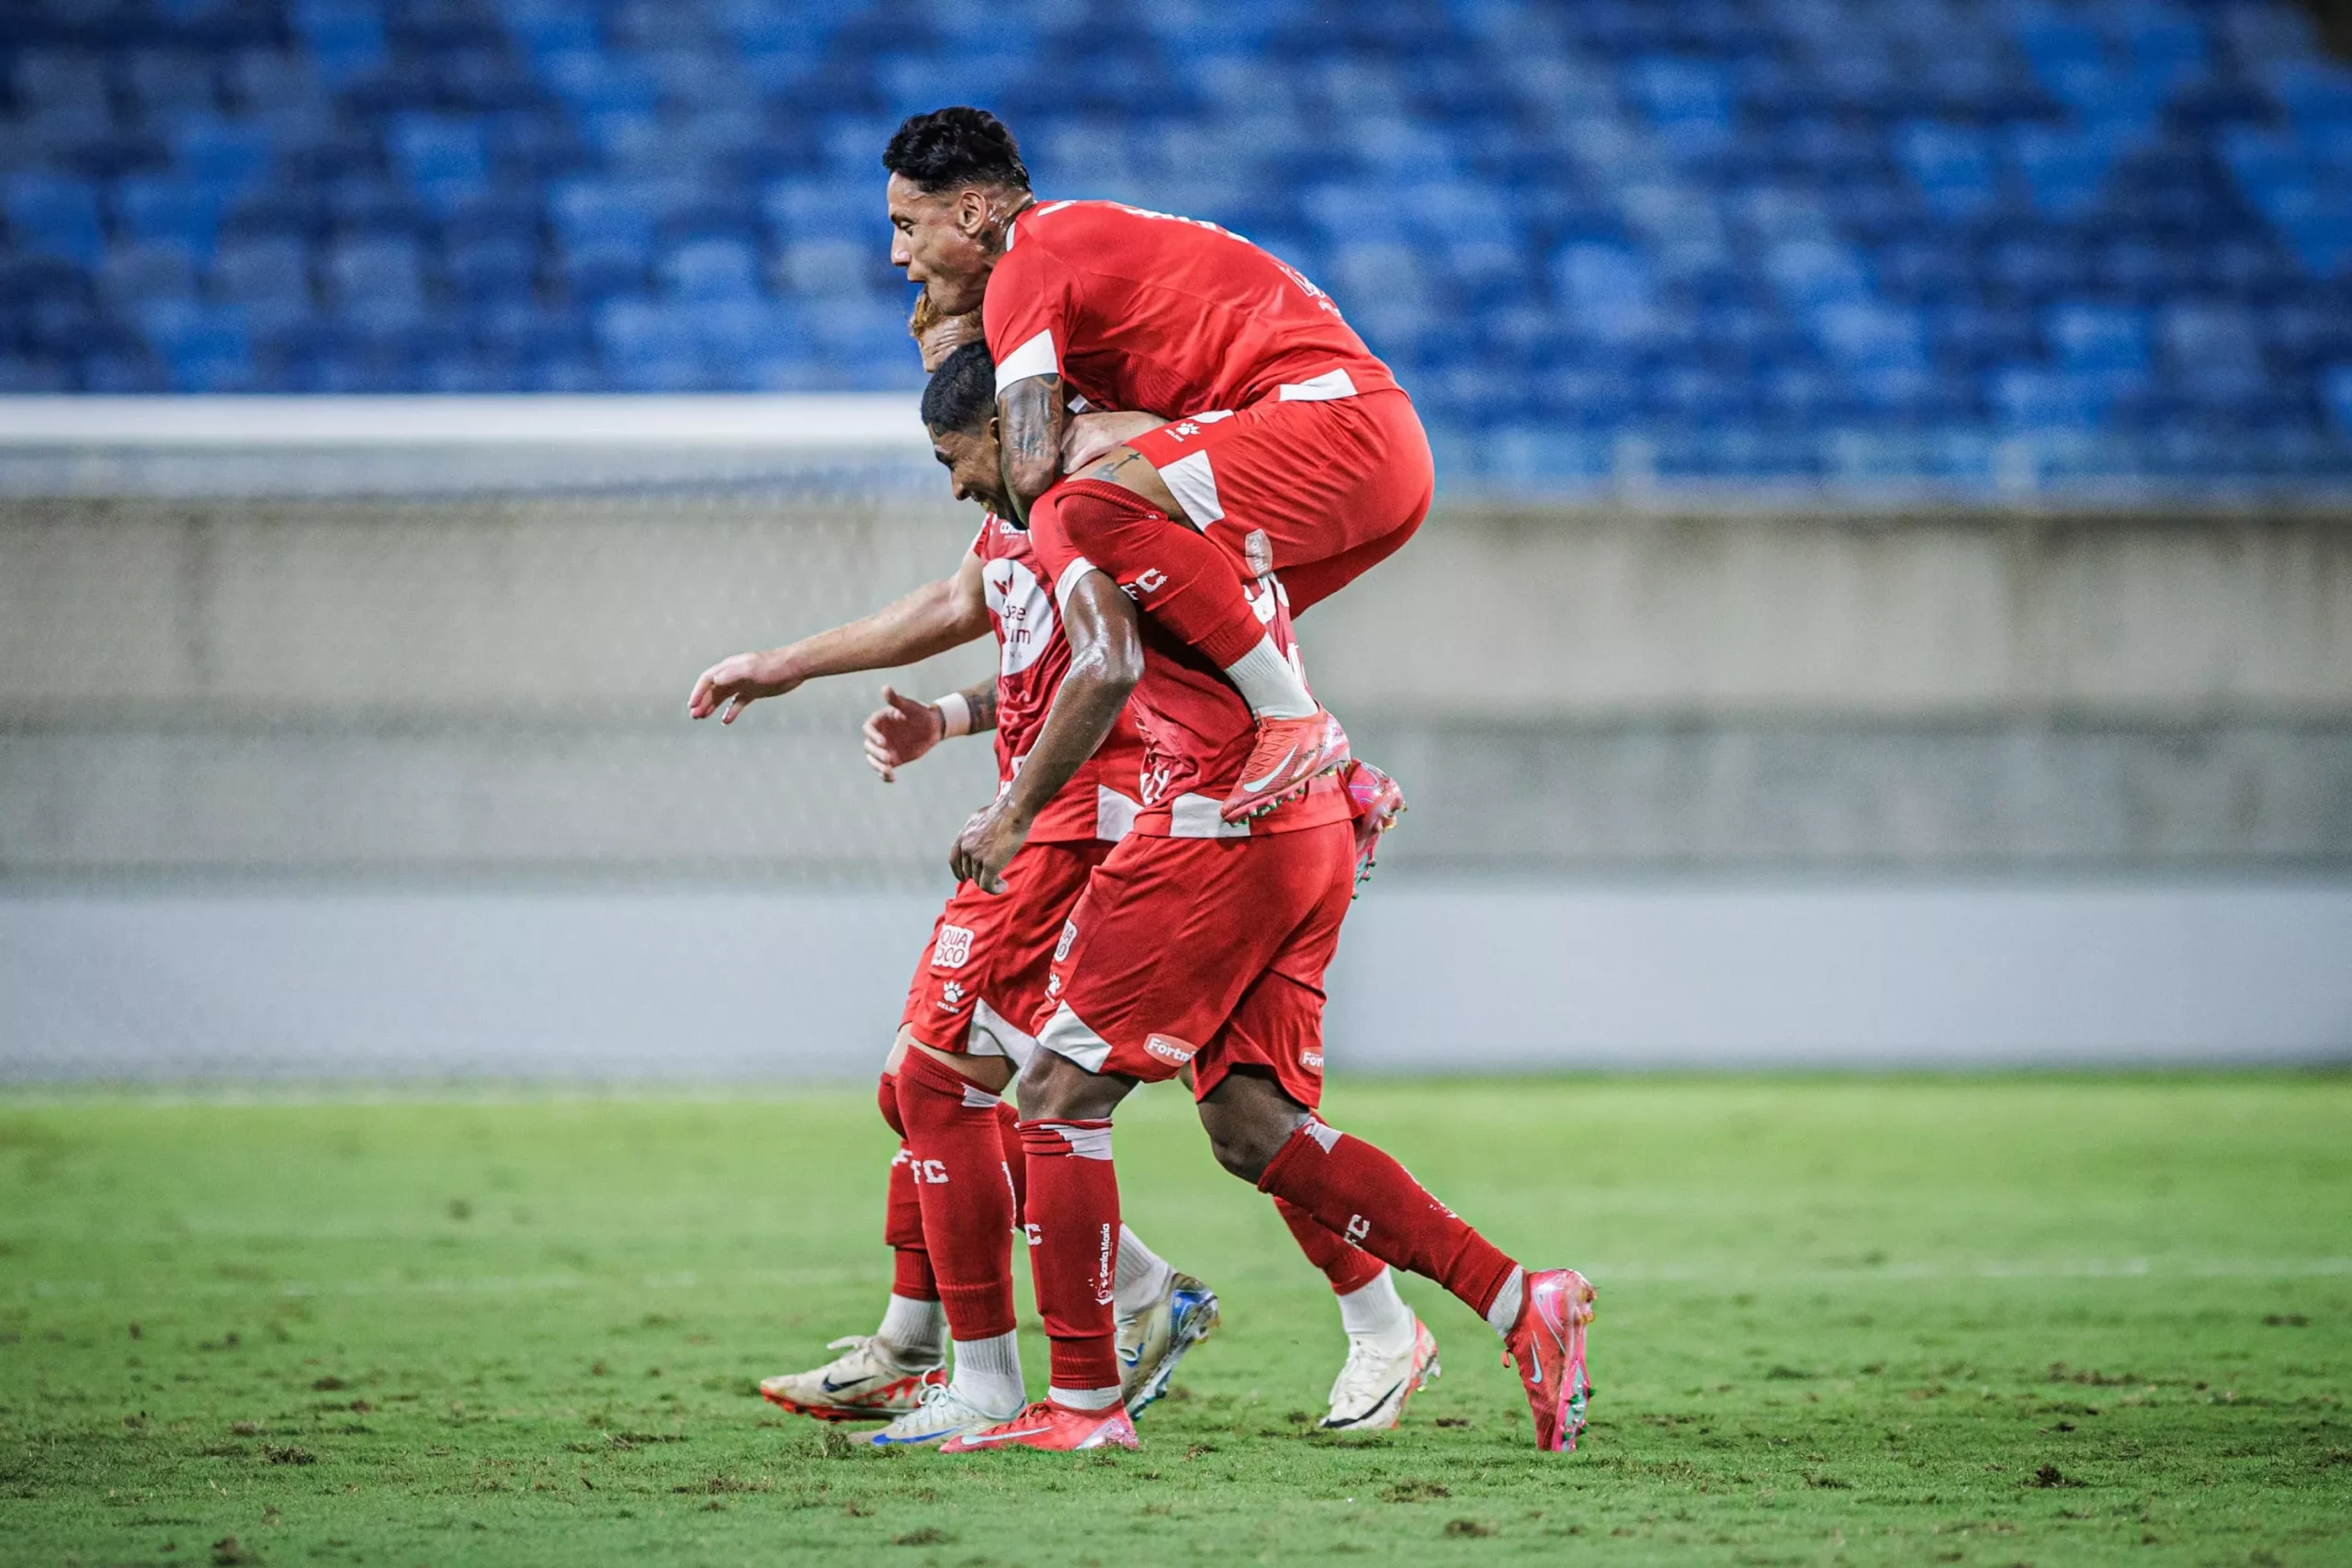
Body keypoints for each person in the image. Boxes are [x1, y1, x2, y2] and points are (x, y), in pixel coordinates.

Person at [685, 343, 1442, 1442]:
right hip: (1104, 819)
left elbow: (1141, 658)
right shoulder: (1023, 501)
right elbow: (1009, 629)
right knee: (1197, 1106)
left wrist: (1315, 764)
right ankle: (1055, 1326)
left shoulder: (1111, 487)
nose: (952, 482)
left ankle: (990, 1364)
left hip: (1123, 828)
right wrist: (934, 713)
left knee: (966, 1086)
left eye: (955, 456)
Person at [930, 389, 1594, 1457]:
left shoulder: (1074, 508)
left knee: (1051, 1095)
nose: (960, 483)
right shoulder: (1201, 500)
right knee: (1251, 1126)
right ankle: (1522, 1300)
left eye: (953, 454)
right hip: (1307, 817)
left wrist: (1012, 815)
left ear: (1018, 425)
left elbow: (1107, 666)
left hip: (1216, 825)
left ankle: (1086, 1404)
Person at [883, 106, 1436, 828]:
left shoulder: (1028, 261)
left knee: (1079, 512)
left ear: (972, 210)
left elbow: (1028, 470)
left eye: (906, 226)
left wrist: (1087, 438)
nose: (899, 257)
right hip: (1381, 458)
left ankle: (1294, 719)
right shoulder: (1084, 263)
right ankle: (1342, 787)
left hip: (1334, 422)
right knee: (1165, 618)